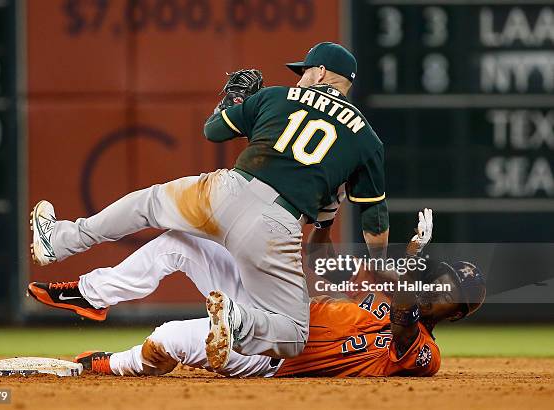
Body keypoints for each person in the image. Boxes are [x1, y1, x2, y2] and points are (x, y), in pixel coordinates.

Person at [29, 42, 389, 370]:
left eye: (305, 71)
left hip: (226, 190)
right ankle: (233, 320)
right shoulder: (366, 140)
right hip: (276, 226)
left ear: (321, 72)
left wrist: (231, 102)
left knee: (148, 203)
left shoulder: (279, 97)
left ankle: (60, 241)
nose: (300, 78)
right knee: (294, 334)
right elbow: (373, 220)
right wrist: (381, 266)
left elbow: (214, 130)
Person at [30, 209, 486, 378]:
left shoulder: (426, 354)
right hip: (278, 309)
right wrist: (325, 219)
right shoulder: (381, 290)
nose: (440, 286)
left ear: (457, 314)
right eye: (442, 277)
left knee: (166, 337)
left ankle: (108, 365)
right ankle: (93, 295)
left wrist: (410, 257)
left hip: (268, 355)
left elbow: (405, 324)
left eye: (451, 290)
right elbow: (317, 262)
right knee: (180, 242)